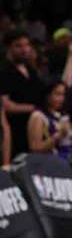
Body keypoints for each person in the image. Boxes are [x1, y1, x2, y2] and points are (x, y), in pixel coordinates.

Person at [0, 29, 44, 158]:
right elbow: (5, 105)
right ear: (8, 47)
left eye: (27, 45)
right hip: (13, 133)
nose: (25, 50)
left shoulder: (30, 69)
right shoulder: (4, 70)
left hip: (32, 133)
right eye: (18, 46)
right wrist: (35, 109)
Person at [27, 81, 72, 160]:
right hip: (49, 163)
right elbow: (34, 148)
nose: (62, 99)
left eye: (63, 95)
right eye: (57, 94)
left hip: (67, 158)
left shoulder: (62, 115)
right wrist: (59, 135)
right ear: (47, 95)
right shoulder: (38, 116)